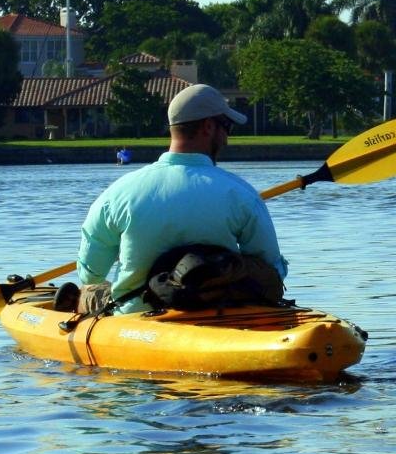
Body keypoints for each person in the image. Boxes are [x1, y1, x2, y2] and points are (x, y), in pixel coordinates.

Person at [74, 84, 288, 313]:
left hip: (135, 319)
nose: (227, 137)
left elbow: (91, 273)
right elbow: (273, 271)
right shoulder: (242, 194)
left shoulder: (117, 194)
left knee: (85, 292)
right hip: (218, 315)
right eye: (227, 127)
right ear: (208, 127)